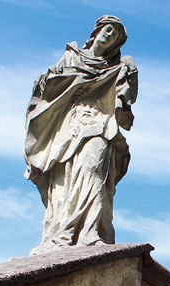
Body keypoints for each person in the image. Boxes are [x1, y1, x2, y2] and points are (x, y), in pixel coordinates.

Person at [24, 16, 138, 255]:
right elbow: (49, 91)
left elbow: (125, 102)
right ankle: (60, 234)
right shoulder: (71, 58)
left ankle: (89, 233)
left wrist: (128, 78)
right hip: (68, 125)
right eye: (108, 30)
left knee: (93, 171)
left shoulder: (117, 68)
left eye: (115, 35)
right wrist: (46, 80)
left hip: (100, 123)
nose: (110, 36)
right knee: (64, 180)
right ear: (97, 31)